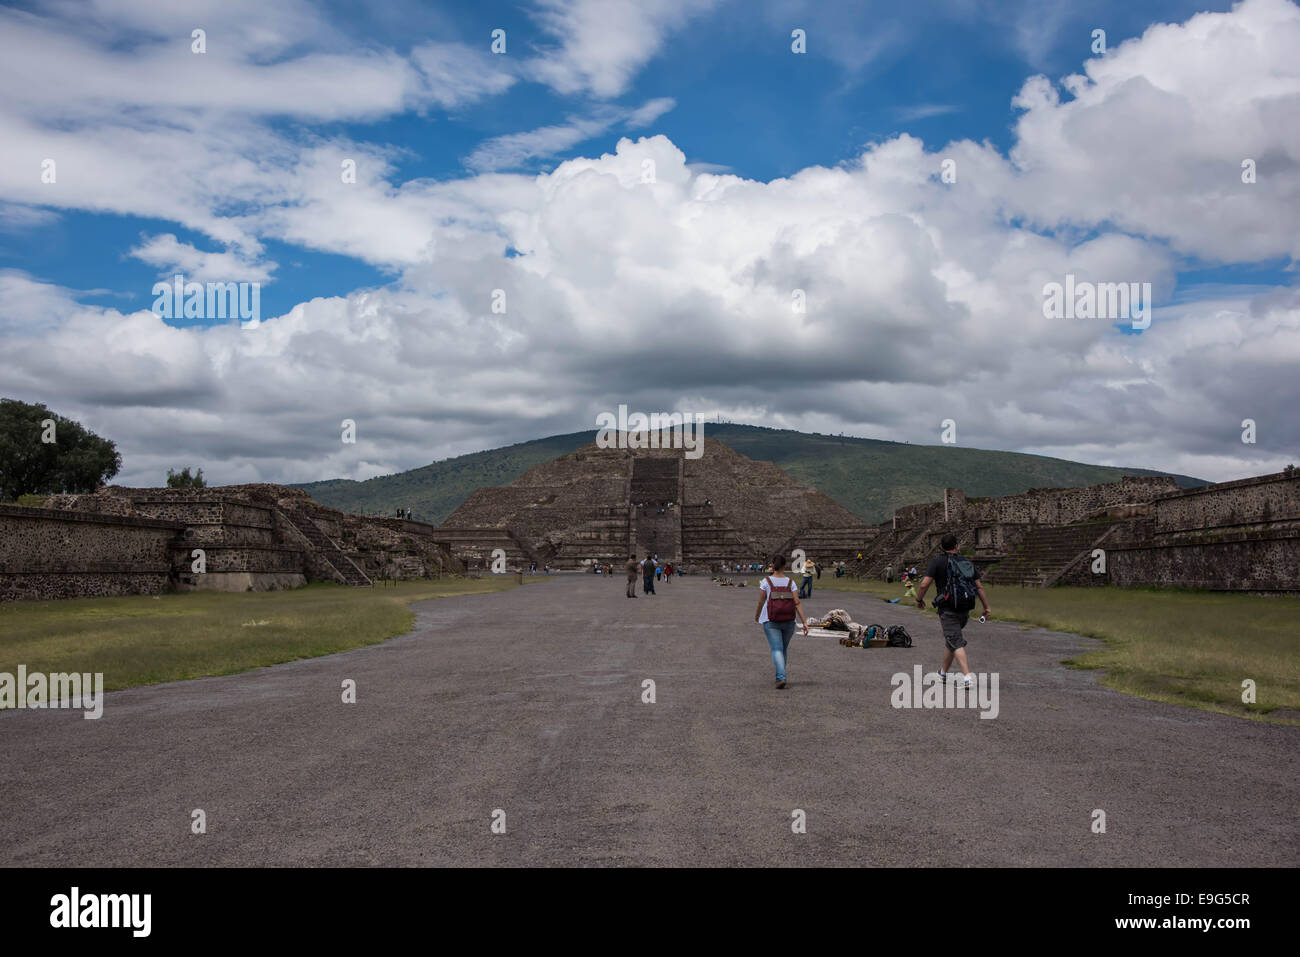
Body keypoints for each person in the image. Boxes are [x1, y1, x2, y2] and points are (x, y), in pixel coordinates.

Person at [914, 534, 991, 688]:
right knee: (952, 639)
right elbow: (979, 587)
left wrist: (919, 599)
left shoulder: (937, 562)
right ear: (956, 545)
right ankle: (942, 673)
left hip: (948, 608)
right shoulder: (966, 562)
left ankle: (967, 677)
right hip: (965, 608)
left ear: (942, 547)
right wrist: (986, 607)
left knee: (955, 641)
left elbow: (924, 584)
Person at [753, 554, 809, 689]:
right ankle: (780, 674)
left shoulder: (766, 581)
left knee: (776, 649)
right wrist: (804, 622)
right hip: (789, 620)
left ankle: (781, 677)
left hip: (770, 619)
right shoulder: (791, 583)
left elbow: (761, 601)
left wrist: (757, 615)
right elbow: (797, 603)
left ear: (772, 565)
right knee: (783, 649)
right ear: (785, 566)